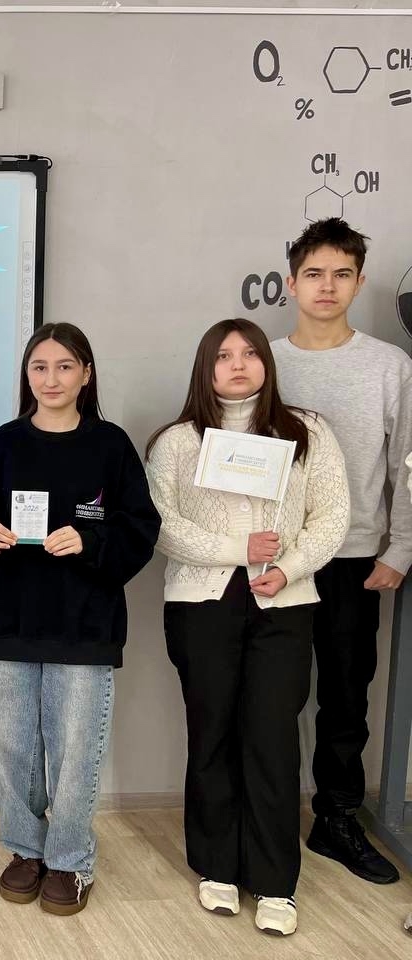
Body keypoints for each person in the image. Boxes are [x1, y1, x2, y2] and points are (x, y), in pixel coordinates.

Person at [146, 318, 348, 936]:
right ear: (205, 367)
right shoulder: (177, 441)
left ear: (267, 362)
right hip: (202, 601)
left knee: (272, 737)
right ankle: (217, 867)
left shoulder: (307, 431)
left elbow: (332, 515)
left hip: (284, 601)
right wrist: (239, 549)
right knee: (212, 732)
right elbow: (161, 524)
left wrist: (286, 567)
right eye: (224, 356)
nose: (238, 365)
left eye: (250, 353)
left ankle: (276, 881)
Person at [0, 322, 160, 916]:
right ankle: (26, 851)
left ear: (86, 374)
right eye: (39, 367)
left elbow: (141, 528)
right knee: (12, 746)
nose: (51, 379)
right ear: (27, 375)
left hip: (85, 625)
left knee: (75, 752)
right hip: (12, 621)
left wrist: (91, 542)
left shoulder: (111, 446)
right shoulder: (2, 444)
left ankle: (69, 860)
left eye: (65, 366)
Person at [270, 218, 412, 885]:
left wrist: (401, 548)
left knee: (346, 697)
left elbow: (408, 465)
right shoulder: (262, 361)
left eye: (341, 274)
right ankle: (266, 818)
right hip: (275, 559)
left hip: (355, 558)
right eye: (314, 274)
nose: (327, 286)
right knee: (271, 695)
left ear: (357, 283)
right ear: (292, 282)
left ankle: (336, 818)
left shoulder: (389, 366)